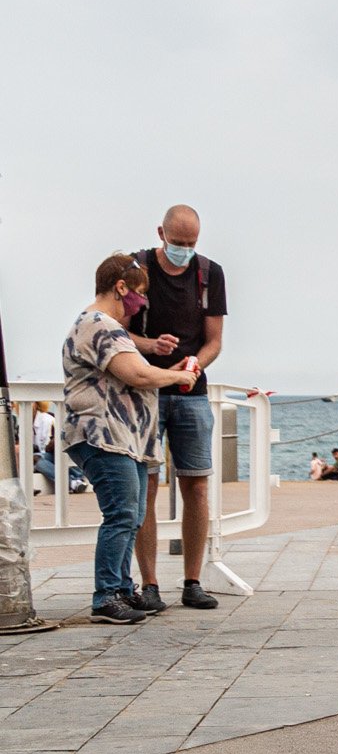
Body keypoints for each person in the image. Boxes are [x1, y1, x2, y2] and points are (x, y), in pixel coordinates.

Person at [62, 251, 201, 624]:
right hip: (101, 434)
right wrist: (178, 377)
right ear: (121, 287)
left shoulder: (110, 328)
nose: (141, 304)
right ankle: (105, 596)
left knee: (133, 514)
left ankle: (123, 589)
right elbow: (136, 374)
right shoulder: (98, 324)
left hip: (126, 439)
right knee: (121, 513)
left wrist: (163, 367)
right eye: (139, 295)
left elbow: (136, 369)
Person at [124, 205, 227, 612]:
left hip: (192, 391)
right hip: (145, 390)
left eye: (191, 243)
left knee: (197, 486)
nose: (184, 250)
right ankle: (149, 584)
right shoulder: (137, 267)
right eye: (177, 242)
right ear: (160, 233)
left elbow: (215, 339)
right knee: (145, 487)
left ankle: (193, 581)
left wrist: (195, 363)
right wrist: (150, 347)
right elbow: (115, 326)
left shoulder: (210, 273)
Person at [28, 402, 89, 494]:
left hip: (59, 455)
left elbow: (54, 445)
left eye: (32, 403)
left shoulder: (48, 420)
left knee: (36, 459)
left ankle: (73, 480)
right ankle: (74, 481)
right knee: (36, 460)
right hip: (46, 457)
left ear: (37, 405)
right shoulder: (26, 422)